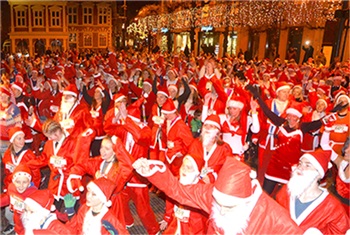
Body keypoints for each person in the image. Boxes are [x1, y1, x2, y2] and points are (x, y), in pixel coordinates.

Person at [132, 157, 304, 234]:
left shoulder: (271, 214)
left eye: (228, 207)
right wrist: (153, 173)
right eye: (218, 204)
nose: (220, 211)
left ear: (245, 202)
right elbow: (179, 191)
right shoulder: (212, 195)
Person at [276, 150, 349, 234]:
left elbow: (340, 231)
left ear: (318, 174)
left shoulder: (331, 206)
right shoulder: (286, 191)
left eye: (307, 165)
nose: (300, 168)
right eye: (300, 164)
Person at [159, 154, 208, 234]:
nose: (184, 170)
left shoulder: (202, 189)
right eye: (183, 166)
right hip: (176, 221)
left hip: (194, 227)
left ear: (196, 172)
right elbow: (170, 202)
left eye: (189, 168)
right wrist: (167, 218)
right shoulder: (176, 182)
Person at [188, 114, 233, 184]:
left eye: (211, 126)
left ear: (217, 131)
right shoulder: (195, 144)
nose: (207, 128)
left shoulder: (224, 148)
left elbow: (227, 168)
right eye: (205, 125)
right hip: (196, 183)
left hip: (215, 184)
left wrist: (212, 177)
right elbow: (189, 162)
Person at [0, 164, 37, 235]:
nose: (21, 185)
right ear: (14, 181)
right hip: (16, 216)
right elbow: (8, 197)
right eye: (18, 182)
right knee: (8, 213)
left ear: (29, 182)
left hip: (28, 219)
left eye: (24, 182)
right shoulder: (11, 188)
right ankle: (13, 225)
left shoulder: (34, 192)